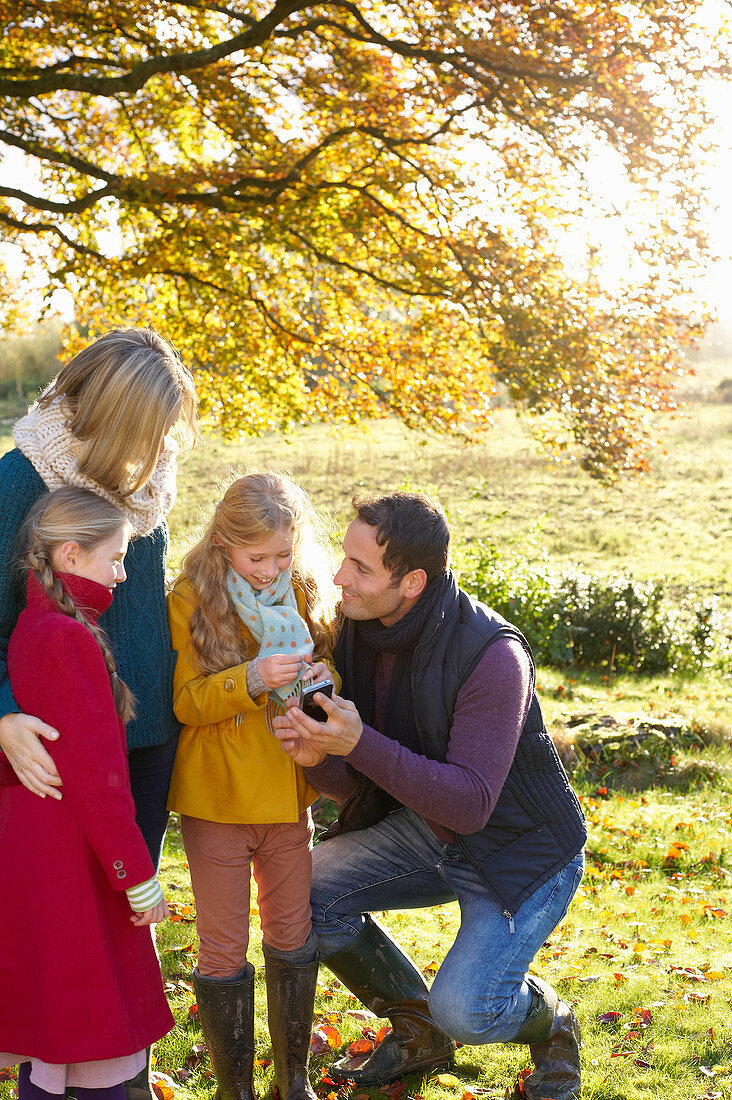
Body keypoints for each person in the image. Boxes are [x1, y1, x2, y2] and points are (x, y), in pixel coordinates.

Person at [273, 491, 587, 1100]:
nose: (340, 578)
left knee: (470, 1009)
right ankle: (420, 1031)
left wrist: (357, 742)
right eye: (346, 558)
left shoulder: (493, 656)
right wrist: (320, 760)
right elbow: (366, 778)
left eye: (360, 568)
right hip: (430, 833)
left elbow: (471, 803)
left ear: (413, 581)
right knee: (302, 894)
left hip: (520, 851)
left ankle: (552, 1021)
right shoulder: (361, 631)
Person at [0, 327, 196, 1100]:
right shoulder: (21, 484)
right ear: (106, 416)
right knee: (65, 942)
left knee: (124, 939)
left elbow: (143, 609)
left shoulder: (148, 483)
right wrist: (5, 717)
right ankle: (52, 1080)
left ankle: (122, 1082)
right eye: (145, 431)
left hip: (143, 749)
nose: (156, 450)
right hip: (50, 755)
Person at [166, 471, 340, 1100]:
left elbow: (327, 676)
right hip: (217, 800)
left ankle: (293, 1081)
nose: (271, 569)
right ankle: (232, 1087)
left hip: (287, 794)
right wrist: (252, 677)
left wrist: (323, 680)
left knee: (292, 936)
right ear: (222, 544)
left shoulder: (300, 593)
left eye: (284, 554)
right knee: (222, 949)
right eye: (256, 556)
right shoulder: (190, 597)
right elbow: (185, 702)